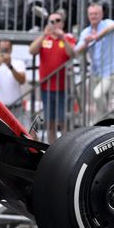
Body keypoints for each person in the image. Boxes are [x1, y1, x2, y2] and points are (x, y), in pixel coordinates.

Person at [29, 11, 76, 142]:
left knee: (64, 122)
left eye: (58, 20)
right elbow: (32, 50)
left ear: (63, 23)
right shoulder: (44, 38)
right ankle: (53, 148)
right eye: (52, 21)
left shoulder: (68, 37)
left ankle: (66, 147)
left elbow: (72, 54)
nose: (55, 23)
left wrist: (63, 39)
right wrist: (44, 34)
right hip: (47, 88)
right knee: (50, 122)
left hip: (63, 88)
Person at [76, 3, 114, 118]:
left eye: (96, 13)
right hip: (95, 72)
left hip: (110, 69)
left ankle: (108, 116)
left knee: (97, 95)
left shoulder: (107, 23)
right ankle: (103, 121)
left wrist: (98, 36)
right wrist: (86, 43)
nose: (93, 16)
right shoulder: (86, 32)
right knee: (95, 101)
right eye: (91, 14)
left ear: (101, 14)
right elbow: (77, 51)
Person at [0, 40, 27, 121]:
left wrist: (10, 66)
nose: (4, 52)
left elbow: (22, 80)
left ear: (11, 49)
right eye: (2, 49)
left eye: (6, 50)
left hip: (15, 108)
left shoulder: (19, 63)